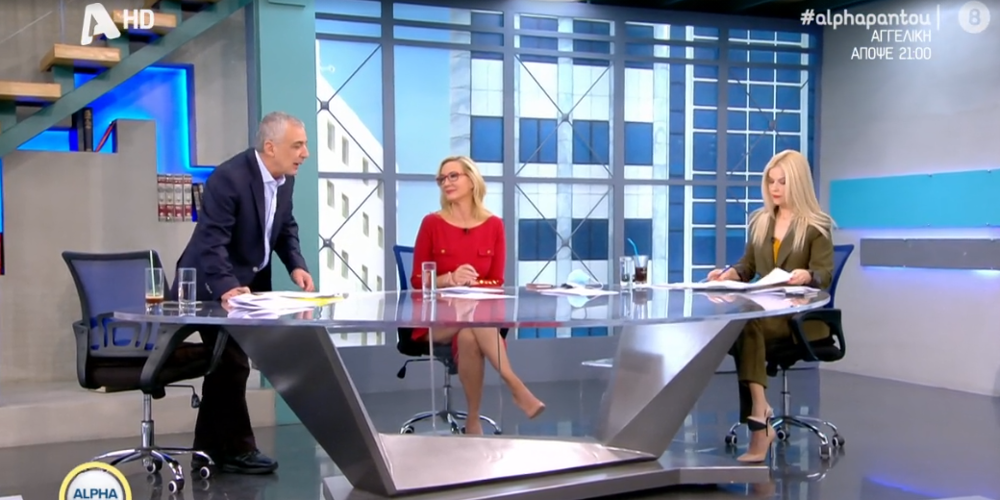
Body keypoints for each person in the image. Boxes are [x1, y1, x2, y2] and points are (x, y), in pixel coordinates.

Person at [172, 111, 315, 474]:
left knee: (225, 362)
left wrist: (296, 264)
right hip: (207, 283)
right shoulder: (228, 178)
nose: (305, 153)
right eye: (298, 145)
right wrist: (226, 288)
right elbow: (212, 241)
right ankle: (238, 450)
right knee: (232, 361)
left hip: (247, 285)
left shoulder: (285, 180)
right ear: (271, 146)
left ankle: (207, 450)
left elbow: (285, 226)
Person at [706, 150, 834, 463]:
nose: (775, 188)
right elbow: (748, 265)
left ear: (798, 183)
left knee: (745, 323)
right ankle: (760, 411)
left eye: (783, 182)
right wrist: (729, 274)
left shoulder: (816, 226)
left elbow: (825, 274)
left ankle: (760, 424)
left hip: (800, 317)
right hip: (765, 312)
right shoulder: (761, 221)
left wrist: (807, 275)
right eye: (771, 181)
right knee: (741, 323)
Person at [408, 156, 545, 434]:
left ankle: (473, 420)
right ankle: (514, 384)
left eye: (453, 176)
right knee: (474, 322)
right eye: (442, 179)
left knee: (470, 333)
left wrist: (472, 289)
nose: (446, 183)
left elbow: (497, 281)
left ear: (472, 180)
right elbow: (417, 281)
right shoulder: (431, 223)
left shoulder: (494, 225)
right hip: (437, 321)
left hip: (478, 318)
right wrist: (450, 279)